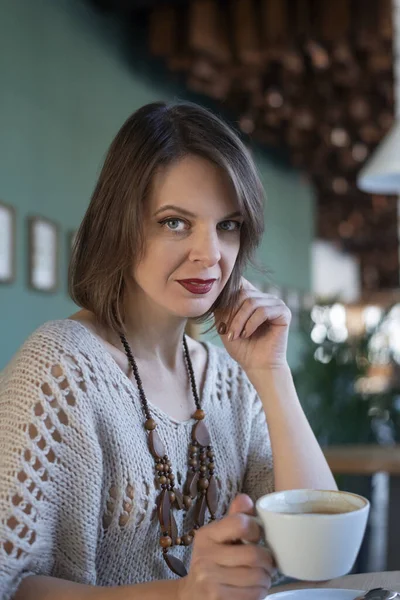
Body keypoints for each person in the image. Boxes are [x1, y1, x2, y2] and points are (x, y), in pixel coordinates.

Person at [0, 101, 336, 600]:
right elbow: (11, 584)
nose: (210, 254)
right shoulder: (60, 367)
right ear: (121, 225)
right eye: (175, 222)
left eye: (228, 225)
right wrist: (181, 595)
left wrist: (272, 373)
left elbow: (321, 554)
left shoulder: (230, 379)